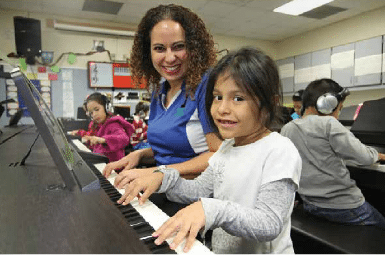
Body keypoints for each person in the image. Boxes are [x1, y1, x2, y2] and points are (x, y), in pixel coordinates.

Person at [116, 47, 302, 253]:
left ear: (270, 103)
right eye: (217, 97)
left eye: (238, 98)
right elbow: (198, 190)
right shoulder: (228, 147)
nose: (222, 108)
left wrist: (211, 209)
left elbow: (268, 224)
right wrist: (161, 177)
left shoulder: (279, 150)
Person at [103, 4, 222, 181]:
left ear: (194, 48)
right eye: (159, 48)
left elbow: (219, 155)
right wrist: (141, 155)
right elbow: (170, 149)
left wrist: (157, 172)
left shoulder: (206, 85)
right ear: (148, 53)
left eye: (178, 46)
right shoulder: (159, 91)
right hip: (163, 185)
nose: (169, 57)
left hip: (195, 193)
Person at [281, 78, 385, 229]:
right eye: (339, 108)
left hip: (311, 204)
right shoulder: (329, 124)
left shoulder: (287, 128)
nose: (338, 115)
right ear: (327, 104)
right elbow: (365, 157)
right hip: (345, 207)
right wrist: (379, 155)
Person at [71, 92, 135, 166]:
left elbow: (124, 138)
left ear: (107, 107)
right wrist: (89, 140)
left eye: (97, 109)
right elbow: (96, 143)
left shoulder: (113, 124)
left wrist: (103, 140)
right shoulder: (99, 125)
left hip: (114, 167)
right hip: (102, 162)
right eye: (91, 113)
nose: (94, 114)